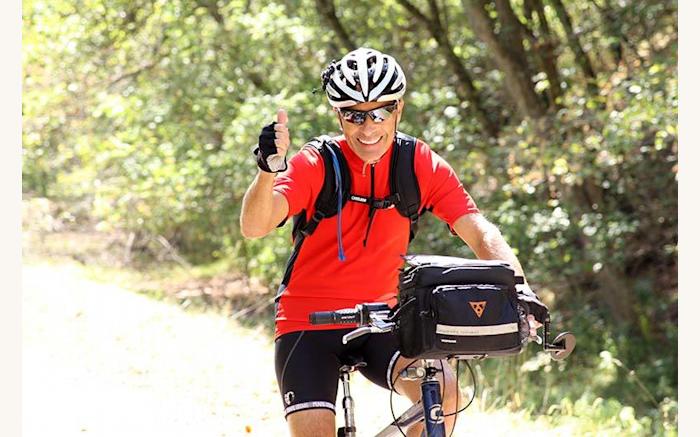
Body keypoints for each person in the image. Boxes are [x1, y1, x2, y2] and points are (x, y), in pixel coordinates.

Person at [240, 47, 547, 437]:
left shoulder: (417, 163)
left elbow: (479, 231)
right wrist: (268, 172)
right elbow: (254, 225)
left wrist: (518, 287)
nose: (368, 128)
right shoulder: (317, 162)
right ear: (338, 115)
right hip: (307, 321)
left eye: (380, 112)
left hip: (383, 320)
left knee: (446, 396)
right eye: (354, 114)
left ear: (398, 109)